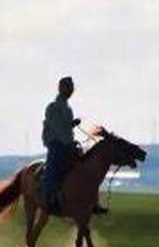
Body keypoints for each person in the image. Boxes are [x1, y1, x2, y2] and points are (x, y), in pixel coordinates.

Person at [41, 77, 108, 215]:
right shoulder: (53, 107)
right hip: (56, 144)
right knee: (54, 165)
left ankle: (92, 201)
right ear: (61, 88)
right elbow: (58, 129)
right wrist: (69, 137)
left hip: (67, 143)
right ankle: (50, 197)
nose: (70, 90)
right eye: (68, 87)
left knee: (87, 167)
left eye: (71, 88)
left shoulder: (67, 108)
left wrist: (72, 126)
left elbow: (65, 129)